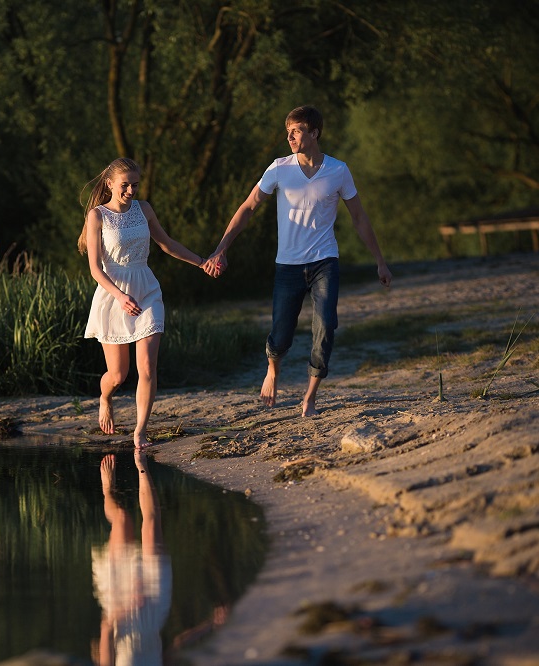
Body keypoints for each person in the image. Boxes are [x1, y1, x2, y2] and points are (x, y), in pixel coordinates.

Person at [203, 106, 392, 417]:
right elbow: (249, 207)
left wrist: (380, 262)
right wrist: (222, 248)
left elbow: (359, 217)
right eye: (288, 130)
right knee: (281, 334)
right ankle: (273, 370)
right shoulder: (278, 169)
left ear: (314, 133)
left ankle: (311, 396)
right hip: (287, 265)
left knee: (326, 325)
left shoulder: (338, 170)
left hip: (324, 261)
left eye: (297, 130)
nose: (289, 136)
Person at [80, 158, 212, 448]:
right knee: (117, 375)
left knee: (148, 368)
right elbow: (94, 269)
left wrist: (201, 262)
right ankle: (104, 398)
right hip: (114, 294)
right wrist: (120, 296)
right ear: (109, 184)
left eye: (135, 184)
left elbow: (167, 243)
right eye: (125, 184)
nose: (130, 190)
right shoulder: (97, 216)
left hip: (147, 290)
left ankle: (140, 430)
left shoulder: (145, 209)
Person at [91, 452, 172, 666]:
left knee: (122, 520)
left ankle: (107, 490)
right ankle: (141, 463)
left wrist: (128, 605)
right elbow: (173, 653)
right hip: (154, 607)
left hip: (122, 603)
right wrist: (210, 625)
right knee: (152, 525)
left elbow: (106, 627)